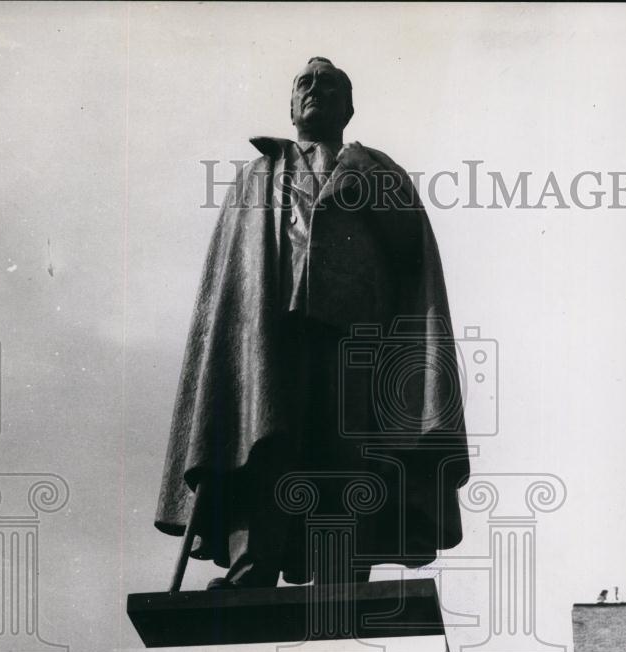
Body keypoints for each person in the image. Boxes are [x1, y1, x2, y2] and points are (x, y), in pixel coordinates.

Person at [156, 57, 469, 589]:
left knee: (350, 451)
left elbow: (410, 251)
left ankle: (342, 572)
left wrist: (370, 186)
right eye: (306, 83)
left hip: (358, 332)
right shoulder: (258, 175)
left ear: (349, 107)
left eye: (330, 85)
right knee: (265, 443)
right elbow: (233, 278)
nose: (316, 90)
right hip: (273, 334)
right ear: (292, 105)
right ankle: (252, 565)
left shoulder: (375, 167)